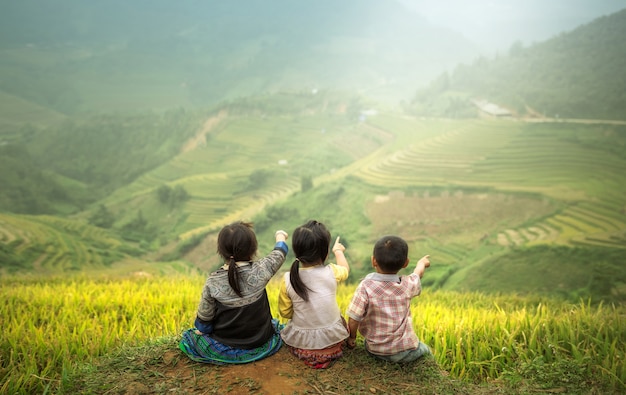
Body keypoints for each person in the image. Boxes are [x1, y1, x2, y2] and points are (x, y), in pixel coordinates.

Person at [179, 221, 289, 364]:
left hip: (226, 344)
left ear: (221, 251)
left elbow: (204, 319)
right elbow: (279, 253)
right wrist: (280, 236)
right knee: (275, 324)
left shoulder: (213, 281)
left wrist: (201, 330)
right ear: (253, 249)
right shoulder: (262, 269)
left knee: (189, 337)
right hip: (263, 342)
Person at [346, 235, 431, 363]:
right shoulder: (407, 284)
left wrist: (352, 338)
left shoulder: (365, 286)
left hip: (375, 350)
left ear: (373, 260)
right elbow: (418, 274)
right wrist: (421, 263)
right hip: (405, 351)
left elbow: (353, 318)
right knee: (426, 350)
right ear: (405, 263)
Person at [278, 220, 350, 368]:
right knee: (340, 318)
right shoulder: (332, 272)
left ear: (297, 250)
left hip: (302, 346)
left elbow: (285, 313)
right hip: (333, 343)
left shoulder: (287, 279)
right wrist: (338, 251)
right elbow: (345, 269)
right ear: (325, 252)